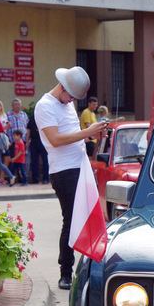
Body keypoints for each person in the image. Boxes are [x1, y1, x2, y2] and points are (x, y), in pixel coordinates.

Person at [34, 67, 108, 290]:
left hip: (80, 165)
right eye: (72, 96)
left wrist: (92, 135)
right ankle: (65, 273)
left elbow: (71, 138)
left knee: (88, 217)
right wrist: (88, 132)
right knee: (72, 220)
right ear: (62, 88)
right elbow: (55, 140)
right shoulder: (45, 106)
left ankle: (87, 269)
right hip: (64, 170)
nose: (72, 101)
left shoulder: (66, 103)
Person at [6, 97, 29, 179]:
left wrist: (28, 140)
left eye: (19, 104)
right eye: (15, 104)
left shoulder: (24, 115)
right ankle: (12, 177)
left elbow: (27, 128)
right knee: (13, 160)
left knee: (21, 160)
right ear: (12, 106)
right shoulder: (8, 115)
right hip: (12, 142)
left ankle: (21, 178)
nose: (17, 106)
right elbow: (5, 128)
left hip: (22, 142)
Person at [26, 109, 49, 184]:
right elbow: (28, 130)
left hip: (43, 141)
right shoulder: (32, 118)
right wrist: (27, 141)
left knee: (45, 160)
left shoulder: (45, 117)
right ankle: (35, 179)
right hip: (33, 141)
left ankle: (46, 179)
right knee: (34, 161)